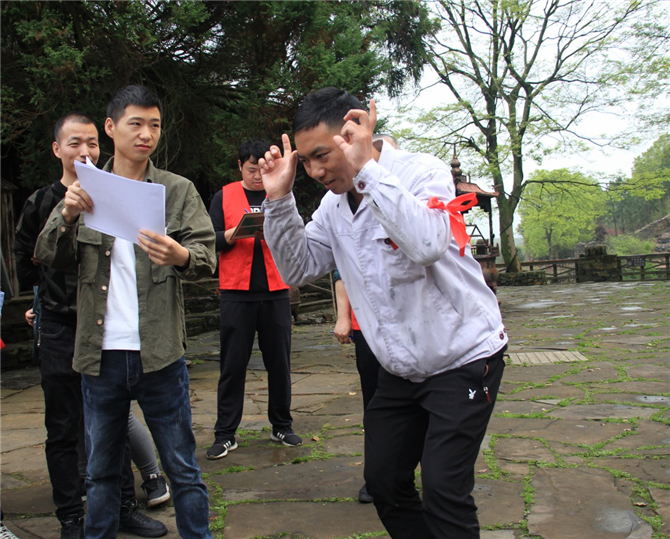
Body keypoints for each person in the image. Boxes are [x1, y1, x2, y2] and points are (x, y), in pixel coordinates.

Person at [258, 87, 508, 538]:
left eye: (321, 156)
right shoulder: (333, 208)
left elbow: (427, 245)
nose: (314, 171)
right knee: (385, 482)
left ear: (354, 131)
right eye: (305, 161)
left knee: (444, 490)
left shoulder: (421, 172)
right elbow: (297, 268)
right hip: (400, 369)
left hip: (463, 358)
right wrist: (278, 200)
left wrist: (367, 172)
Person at [35, 86, 216, 539]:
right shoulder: (85, 190)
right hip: (100, 357)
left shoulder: (176, 190)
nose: (146, 134)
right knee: (99, 473)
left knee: (183, 468)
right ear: (111, 127)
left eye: (155, 125)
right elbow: (48, 256)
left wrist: (180, 255)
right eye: (136, 124)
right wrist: (67, 214)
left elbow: (206, 257)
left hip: (160, 354)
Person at [15, 112, 167, 539]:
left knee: (112, 422)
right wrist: (43, 298)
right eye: (74, 144)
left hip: (107, 328)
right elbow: (26, 260)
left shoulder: (114, 193)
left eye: (92, 143)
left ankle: (123, 508)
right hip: (61, 327)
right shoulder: (42, 202)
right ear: (57, 149)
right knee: (64, 426)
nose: (85, 152)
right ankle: (71, 517)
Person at [206, 139, 301, 460]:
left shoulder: (280, 193)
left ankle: (282, 425)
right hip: (236, 292)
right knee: (232, 365)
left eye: (262, 169)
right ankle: (225, 433)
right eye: (251, 169)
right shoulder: (224, 196)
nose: (258, 176)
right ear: (239, 167)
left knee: (280, 364)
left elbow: (296, 233)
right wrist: (234, 233)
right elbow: (209, 238)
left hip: (276, 290)